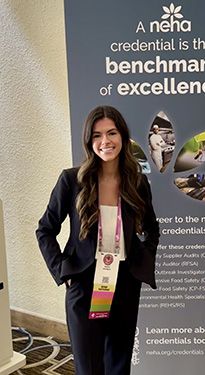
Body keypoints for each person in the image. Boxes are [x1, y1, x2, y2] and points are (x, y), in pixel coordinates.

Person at [36, 106, 160, 375]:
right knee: (89, 366)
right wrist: (63, 270)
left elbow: (152, 229)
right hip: (84, 283)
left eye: (112, 133)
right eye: (97, 135)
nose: (105, 141)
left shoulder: (137, 182)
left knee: (118, 363)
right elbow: (45, 230)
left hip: (125, 284)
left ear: (123, 137)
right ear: (89, 141)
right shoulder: (72, 180)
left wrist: (142, 262)